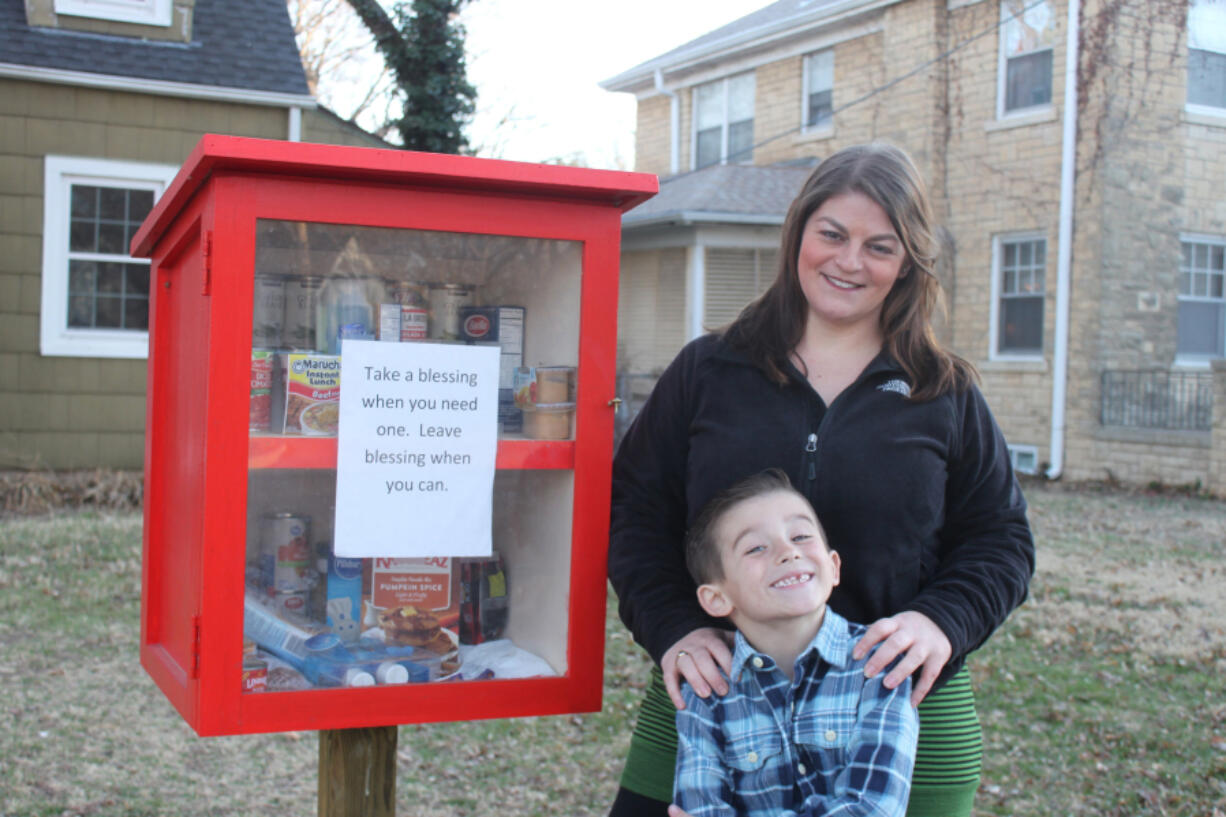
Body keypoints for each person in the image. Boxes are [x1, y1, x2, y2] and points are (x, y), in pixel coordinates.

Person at [607, 141, 1035, 817]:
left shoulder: (941, 392)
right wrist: (674, 628)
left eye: (879, 246)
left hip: (900, 714)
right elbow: (633, 511)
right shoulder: (710, 371)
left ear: (906, 264)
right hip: (715, 710)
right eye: (832, 234)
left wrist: (940, 621)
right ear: (798, 233)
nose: (848, 261)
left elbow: (1002, 539)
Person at [671, 468, 919, 817]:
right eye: (756, 547)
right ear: (716, 599)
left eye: (801, 536)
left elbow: (873, 809)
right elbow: (700, 807)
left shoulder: (879, 663)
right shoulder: (708, 688)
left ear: (833, 567)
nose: (788, 552)